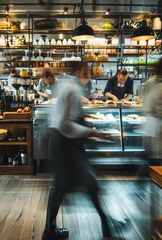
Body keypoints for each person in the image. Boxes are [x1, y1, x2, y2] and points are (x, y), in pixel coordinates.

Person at [42, 74, 113, 240]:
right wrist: (92, 132)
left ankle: (49, 230)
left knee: (63, 187)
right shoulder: (71, 90)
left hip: (67, 145)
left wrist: (92, 135)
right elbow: (64, 124)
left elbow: (72, 120)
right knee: (88, 184)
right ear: (79, 75)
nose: (87, 80)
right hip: (66, 146)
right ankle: (106, 224)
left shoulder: (70, 90)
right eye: (85, 75)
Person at [142, 58, 162, 163]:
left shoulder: (149, 82)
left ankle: (144, 174)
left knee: (150, 155)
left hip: (148, 122)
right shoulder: (161, 86)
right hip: (157, 124)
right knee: (157, 156)